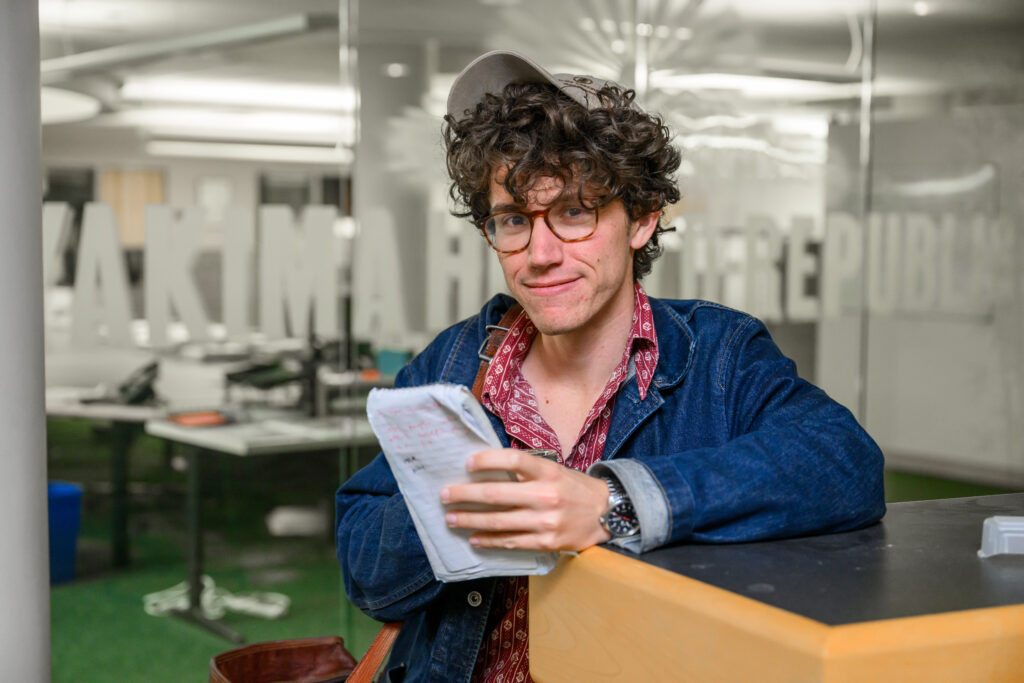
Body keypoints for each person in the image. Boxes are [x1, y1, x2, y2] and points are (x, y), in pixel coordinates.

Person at [335, 50, 885, 683]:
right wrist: (456, 514)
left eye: (574, 213)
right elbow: (367, 576)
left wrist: (613, 502)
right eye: (514, 219)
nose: (539, 254)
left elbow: (844, 465)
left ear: (642, 219)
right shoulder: (455, 361)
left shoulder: (717, 354)